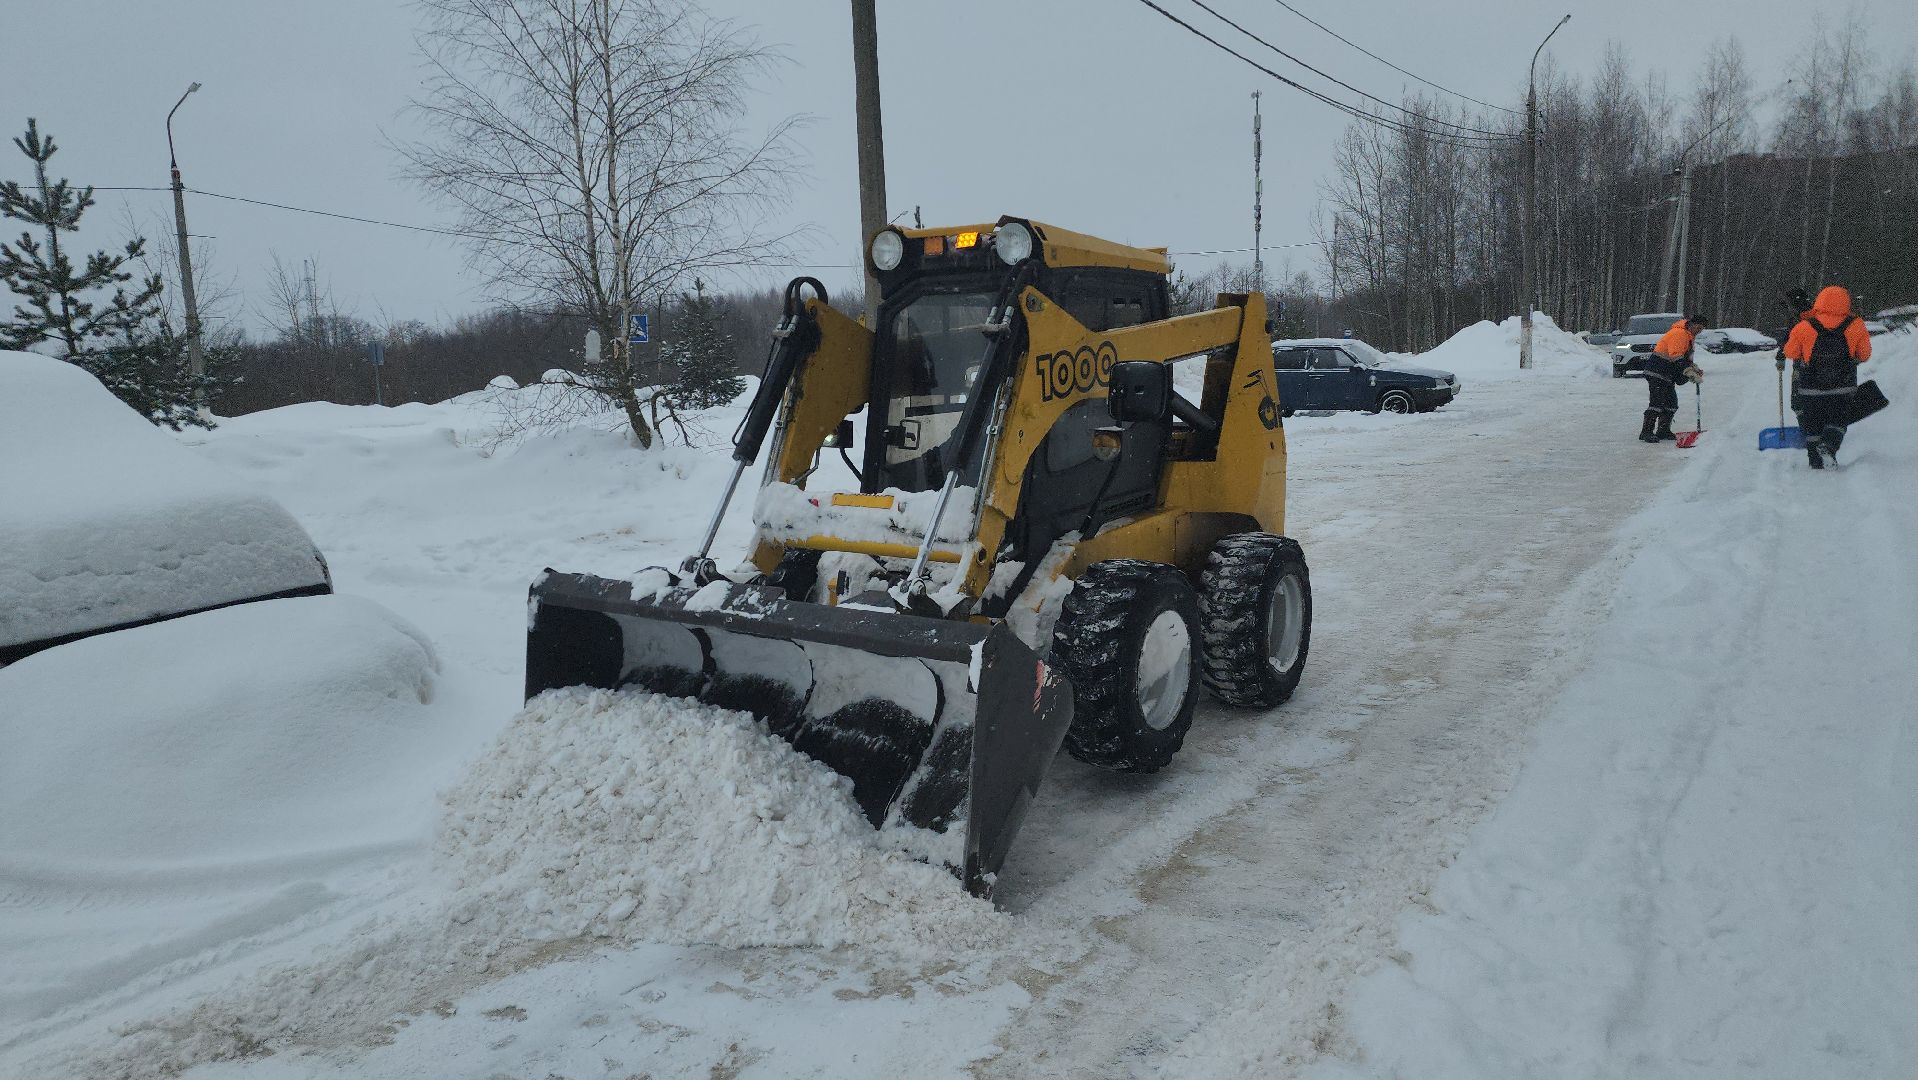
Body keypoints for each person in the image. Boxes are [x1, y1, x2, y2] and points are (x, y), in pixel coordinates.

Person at [1782, 285, 1872, 469]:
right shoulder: (1856, 324)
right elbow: (1864, 355)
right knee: (1838, 420)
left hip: (1810, 387)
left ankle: (1815, 462)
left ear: (1820, 301)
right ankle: (1829, 445)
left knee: (1813, 423)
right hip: (1843, 386)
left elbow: (1790, 352)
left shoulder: (1804, 326)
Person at [1639, 315, 1706, 442]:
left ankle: (1663, 431)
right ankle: (1646, 432)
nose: (1699, 331)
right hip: (1657, 371)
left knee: (1671, 404)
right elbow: (1676, 356)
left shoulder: (1689, 337)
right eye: (1698, 328)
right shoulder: (1679, 333)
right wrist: (1688, 372)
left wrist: (1694, 369)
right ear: (1692, 324)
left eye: (1701, 329)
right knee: (1657, 403)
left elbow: (1685, 358)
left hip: (1667, 374)